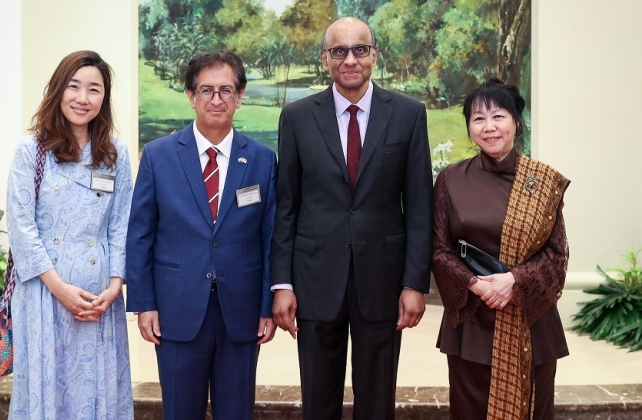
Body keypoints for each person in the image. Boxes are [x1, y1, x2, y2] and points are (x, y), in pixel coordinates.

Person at [270, 17, 433, 420]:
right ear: (325, 58)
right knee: (319, 401)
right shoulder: (297, 117)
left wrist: (415, 283)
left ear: (374, 55)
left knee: (377, 402)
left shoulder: (409, 115)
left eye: (359, 49)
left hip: (382, 278)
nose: (350, 60)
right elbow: (286, 205)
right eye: (339, 51)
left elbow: (418, 207)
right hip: (314, 279)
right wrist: (283, 284)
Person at [125, 51, 277, 420]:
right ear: (191, 96)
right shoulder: (159, 156)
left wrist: (266, 307)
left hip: (240, 313)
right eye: (206, 90)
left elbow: (271, 237)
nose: (216, 99)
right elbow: (140, 233)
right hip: (176, 311)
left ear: (240, 97)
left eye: (226, 90)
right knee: (180, 411)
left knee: (236, 411)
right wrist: (144, 303)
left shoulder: (261, 159)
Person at [431, 78, 570, 420]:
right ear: (469, 127)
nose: (489, 127)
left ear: (516, 122)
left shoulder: (543, 181)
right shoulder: (451, 179)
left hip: (530, 322)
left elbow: (557, 255)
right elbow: (437, 248)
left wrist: (514, 281)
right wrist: (475, 284)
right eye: (478, 118)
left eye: (498, 116)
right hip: (472, 323)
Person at [6, 50, 134, 419]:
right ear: (58, 90)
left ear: (104, 99)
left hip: (98, 298)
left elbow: (121, 222)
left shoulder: (115, 154)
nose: (83, 98)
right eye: (74, 87)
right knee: (49, 388)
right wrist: (58, 288)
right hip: (44, 292)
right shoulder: (32, 150)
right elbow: (21, 225)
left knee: (98, 388)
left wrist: (115, 284)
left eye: (94, 90)